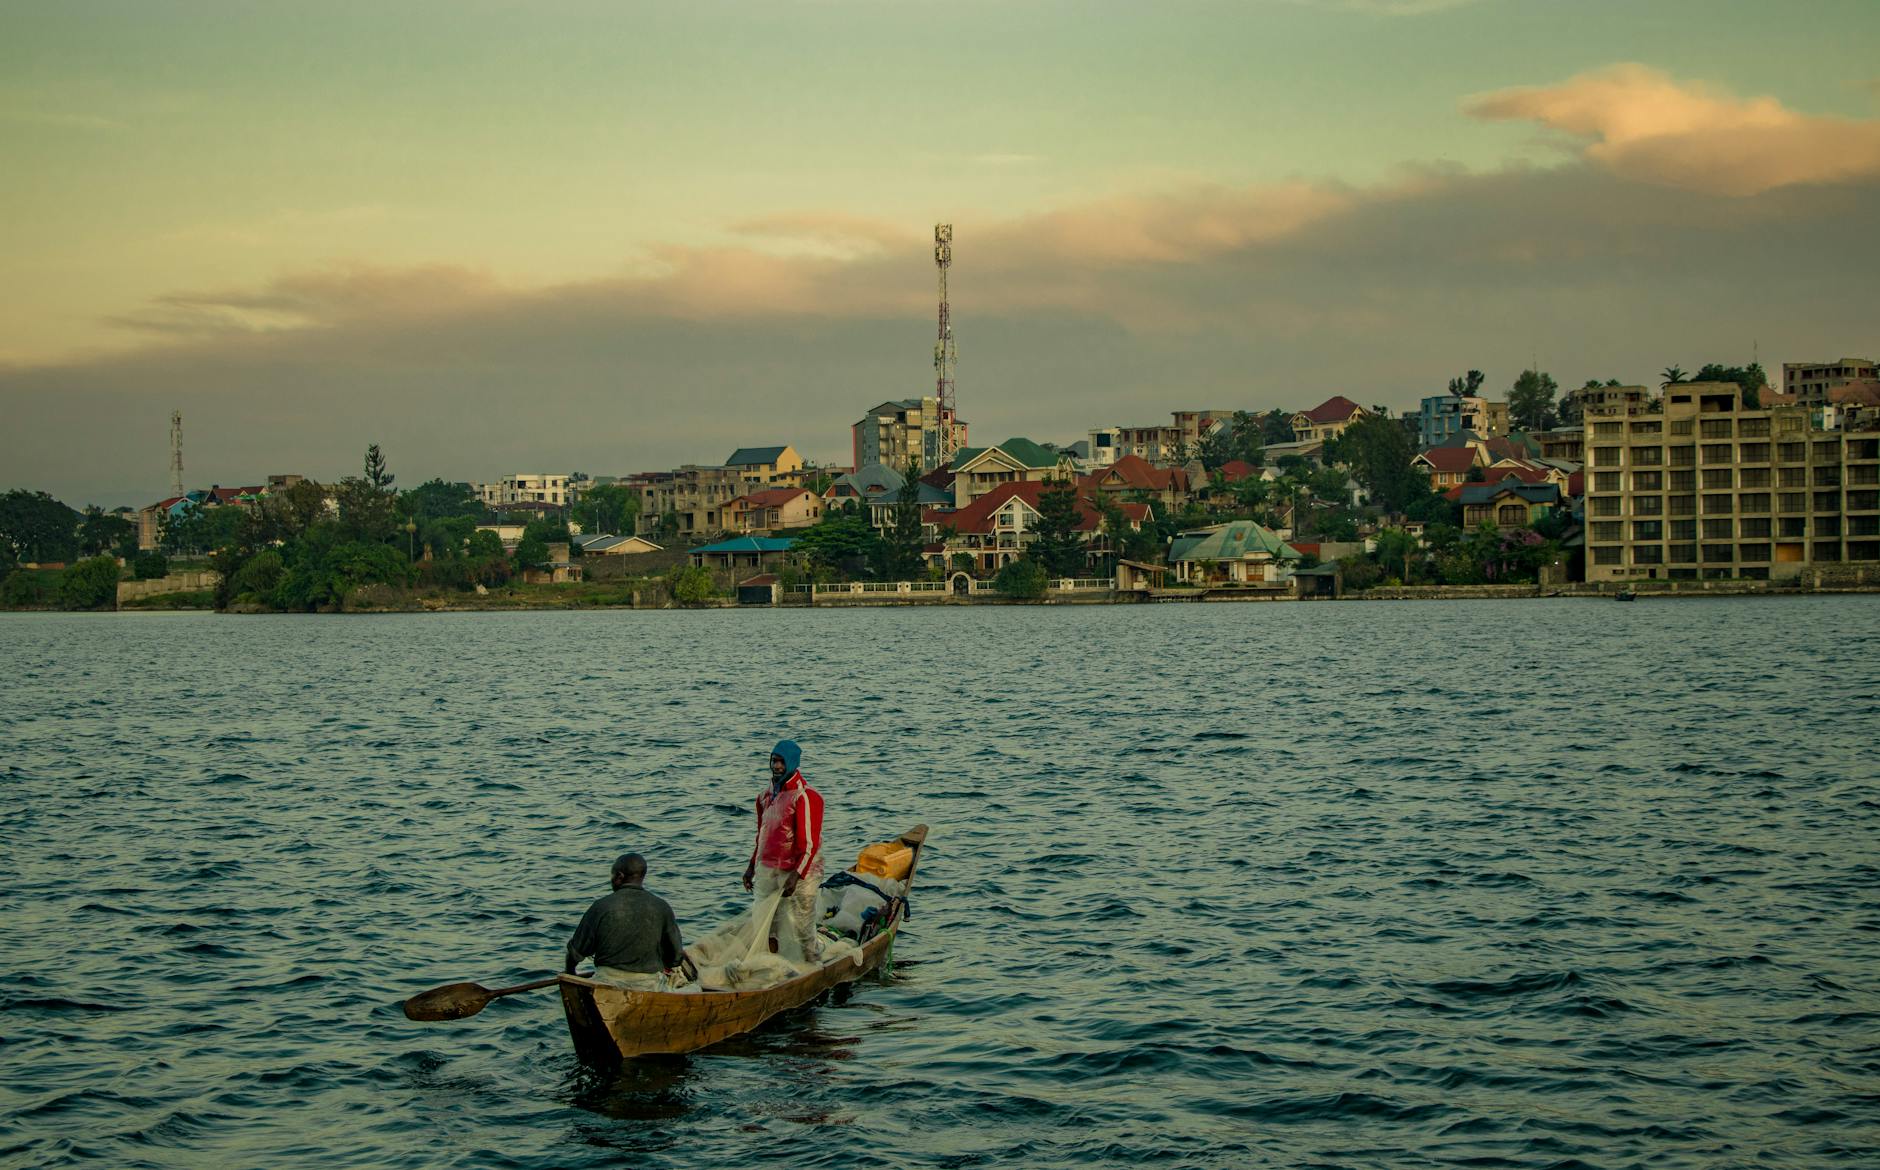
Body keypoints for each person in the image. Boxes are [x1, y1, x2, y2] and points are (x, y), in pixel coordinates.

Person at [741, 738, 825, 963]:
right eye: (774, 761)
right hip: (768, 870)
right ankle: (771, 965)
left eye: (781, 762)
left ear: (792, 763)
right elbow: (762, 836)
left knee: (801, 925)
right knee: (765, 925)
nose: (777, 766)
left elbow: (809, 844)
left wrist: (796, 876)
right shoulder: (764, 797)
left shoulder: (805, 797)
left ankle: (813, 965)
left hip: (799, 873)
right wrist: (751, 867)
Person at [565, 852, 688, 990]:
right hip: (648, 985)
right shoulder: (662, 907)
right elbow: (676, 957)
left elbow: (575, 953)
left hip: (607, 982)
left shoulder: (600, 906)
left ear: (619, 876)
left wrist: (570, 973)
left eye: (612, 876)